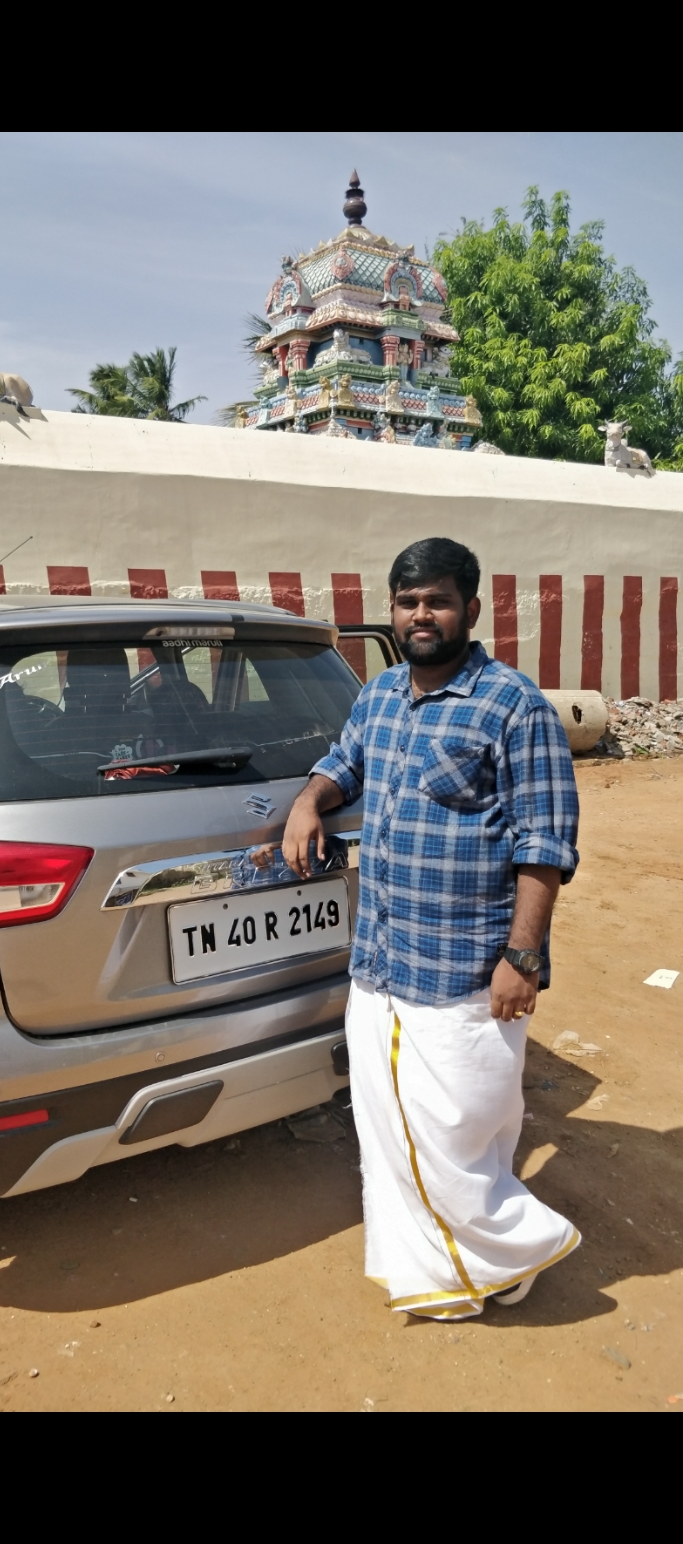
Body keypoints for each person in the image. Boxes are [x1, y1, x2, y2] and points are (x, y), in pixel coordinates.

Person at [281, 538, 580, 1320]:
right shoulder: (380, 695)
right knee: (389, 1126)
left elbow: (544, 845)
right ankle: (441, 1274)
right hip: (379, 961)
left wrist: (523, 957)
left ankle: (508, 1255)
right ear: (392, 609)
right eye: (408, 601)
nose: (422, 614)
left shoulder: (514, 706)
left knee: (458, 1131)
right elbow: (345, 761)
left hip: (465, 969)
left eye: (438, 601)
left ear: (470, 610)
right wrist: (309, 801)